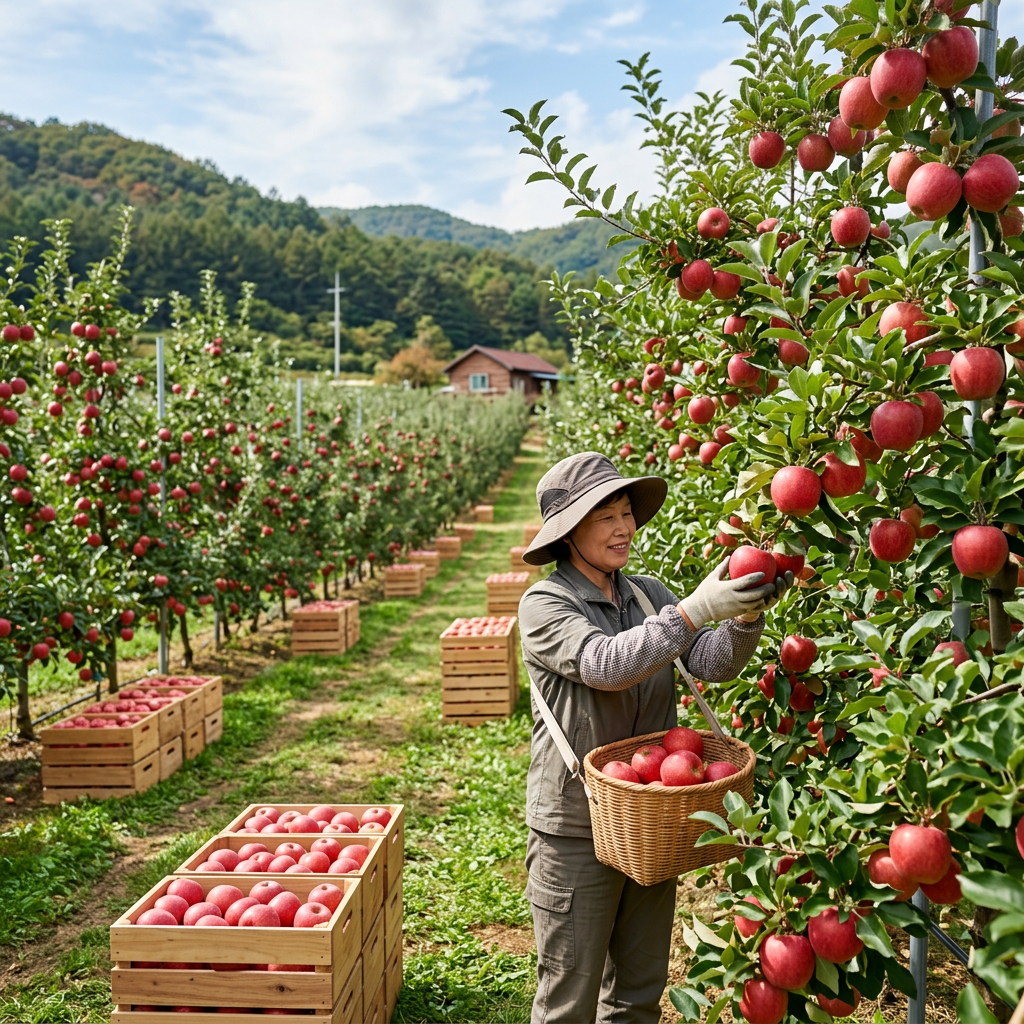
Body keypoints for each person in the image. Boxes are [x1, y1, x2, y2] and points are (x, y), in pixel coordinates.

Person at [518, 451, 792, 1024]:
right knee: (569, 996)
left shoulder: (646, 593)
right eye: (605, 517)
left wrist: (743, 618)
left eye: (626, 513)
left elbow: (711, 662)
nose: (623, 528)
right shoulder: (545, 604)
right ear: (568, 533)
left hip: (653, 816)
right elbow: (606, 664)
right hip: (576, 823)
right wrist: (692, 610)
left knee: (639, 993)